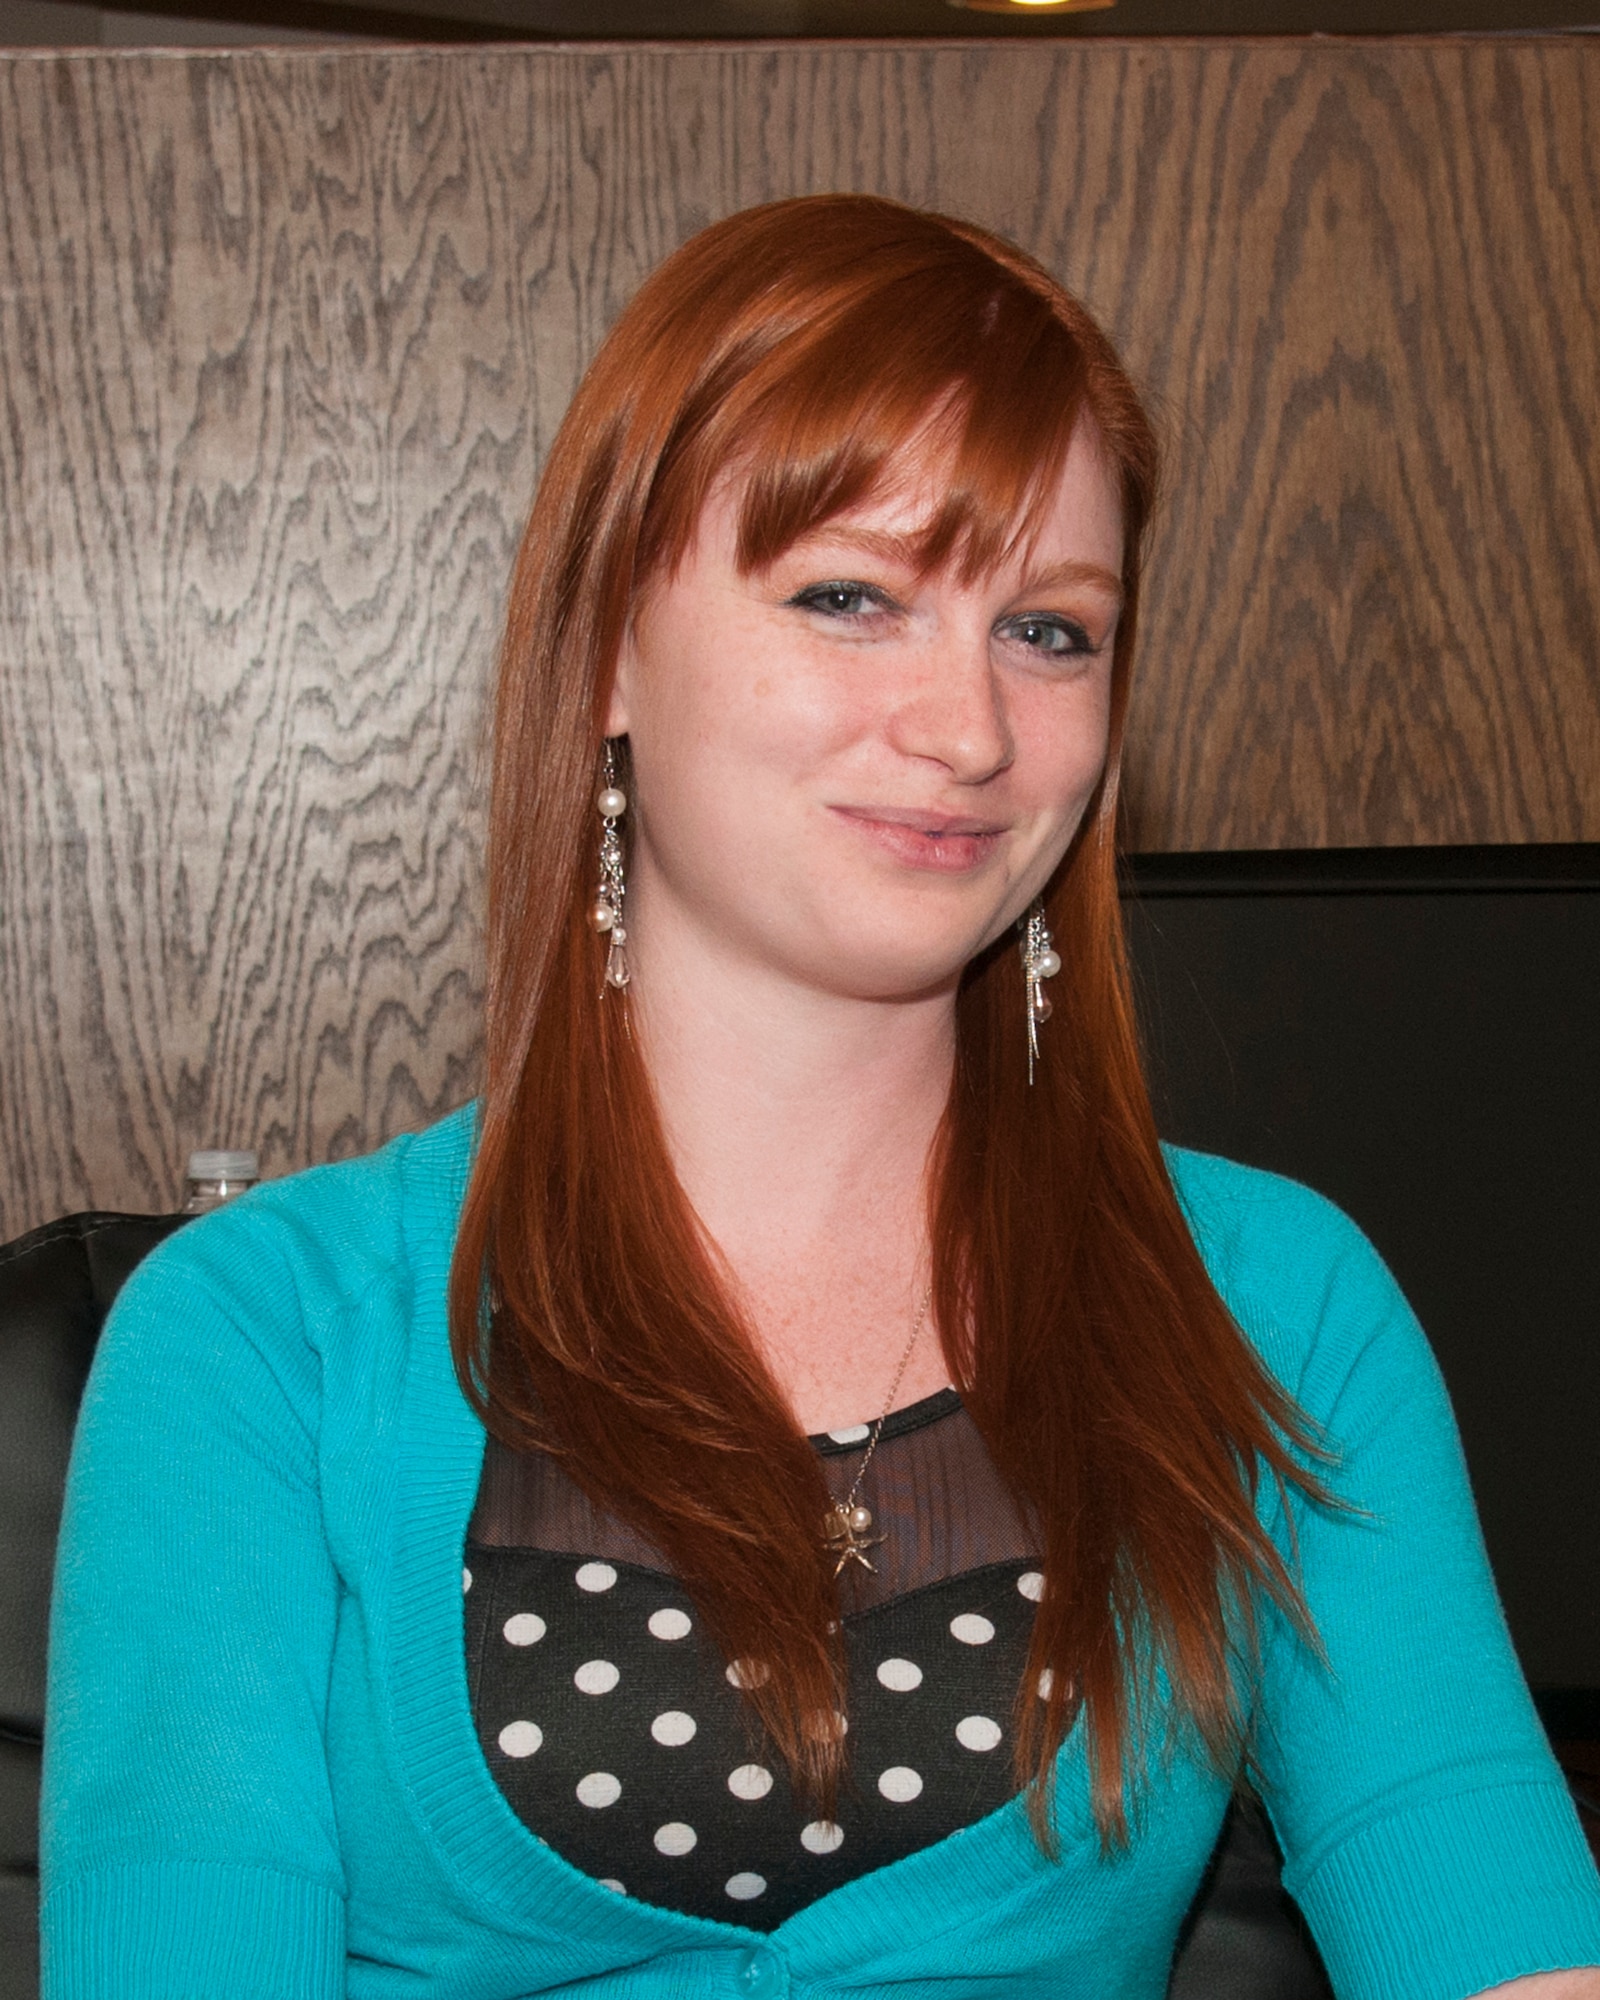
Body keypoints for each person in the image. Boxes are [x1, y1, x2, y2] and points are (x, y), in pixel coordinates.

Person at [41, 195, 1600, 2000]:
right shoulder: (262, 1338)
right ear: (611, 650)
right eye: (851, 597)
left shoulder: (1277, 1300)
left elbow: (1497, 1928)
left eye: (1052, 632)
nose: (970, 729)